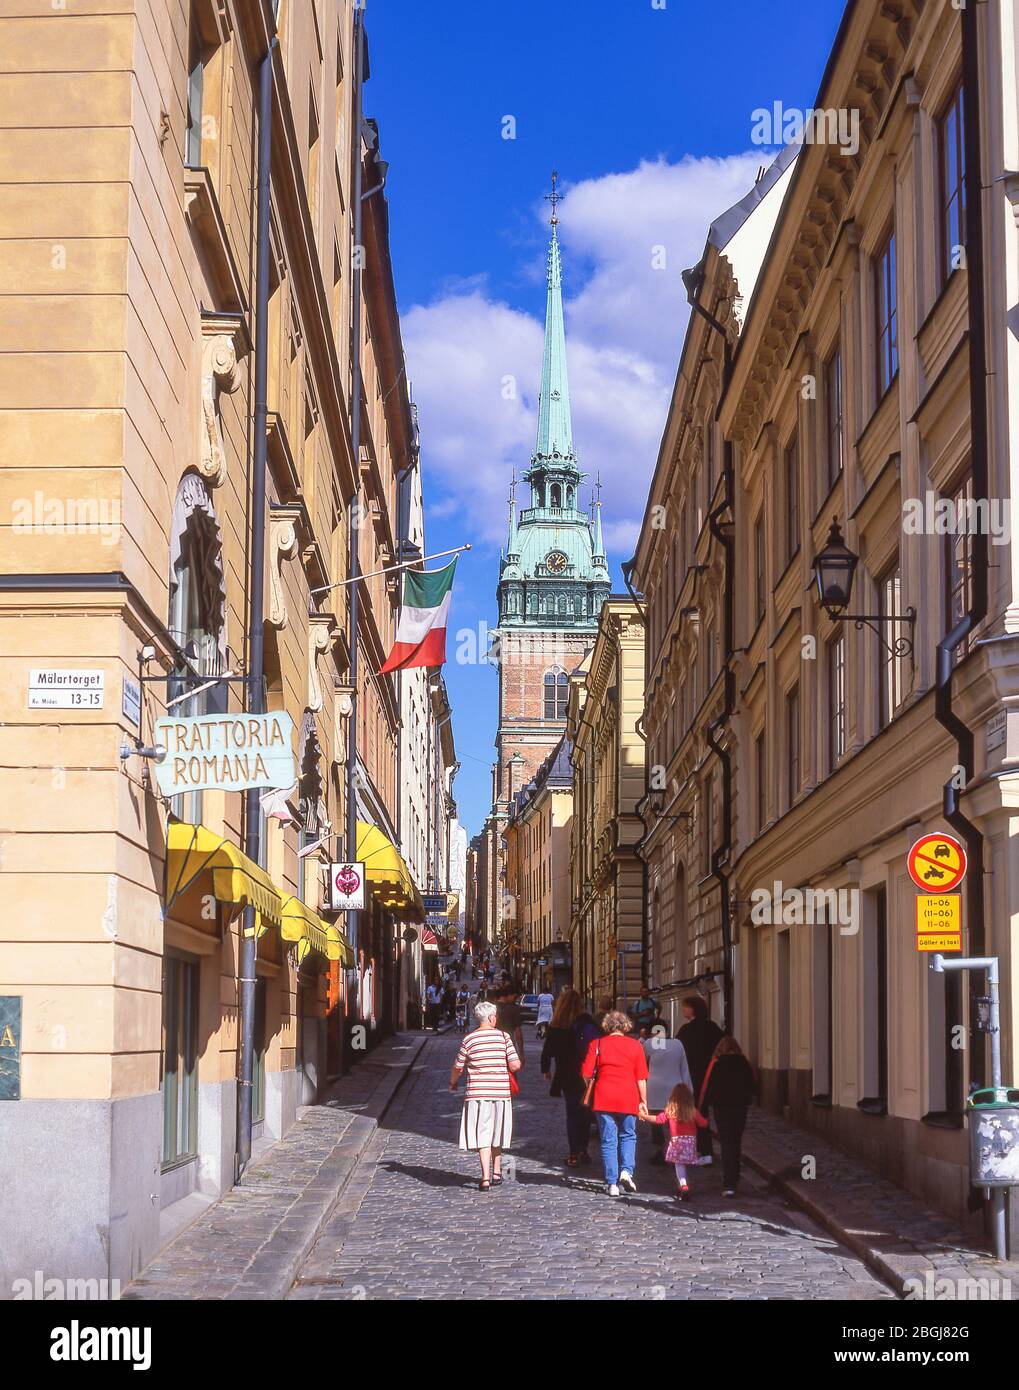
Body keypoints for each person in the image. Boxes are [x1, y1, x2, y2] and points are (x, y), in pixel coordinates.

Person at [450, 1000, 521, 1191]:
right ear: (491, 1018)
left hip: (477, 1094)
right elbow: (515, 1065)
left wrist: (453, 1082)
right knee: (497, 1131)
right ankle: (497, 1172)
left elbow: (458, 1067)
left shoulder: (469, 1039)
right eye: (495, 1016)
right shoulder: (504, 1037)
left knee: (483, 1134)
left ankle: (485, 1178)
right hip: (500, 1093)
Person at [580, 1010, 649, 1197]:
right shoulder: (635, 1046)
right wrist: (644, 1101)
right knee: (628, 1135)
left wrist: (594, 1083)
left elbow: (586, 1073)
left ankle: (612, 1183)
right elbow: (641, 1078)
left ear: (607, 1026)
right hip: (628, 1096)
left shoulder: (597, 1044)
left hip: (604, 1097)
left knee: (608, 1140)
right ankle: (626, 1171)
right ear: (626, 1026)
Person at [540, 988, 600, 1167]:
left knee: (572, 1114)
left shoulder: (556, 1026)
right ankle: (583, 1149)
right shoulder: (588, 1023)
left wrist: (546, 1071)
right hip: (587, 1075)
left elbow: (547, 1052)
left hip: (566, 1075)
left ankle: (574, 1153)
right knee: (585, 1113)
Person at [701, 1036, 756, 1197]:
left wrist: (705, 1104)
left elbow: (707, 1086)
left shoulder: (716, 1064)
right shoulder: (744, 1062)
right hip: (739, 1107)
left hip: (722, 1108)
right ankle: (735, 1178)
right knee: (736, 1142)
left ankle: (729, 1183)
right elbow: (753, 1084)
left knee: (726, 1143)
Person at [639, 1082, 708, 1201]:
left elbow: (657, 1119)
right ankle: (686, 1181)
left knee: (679, 1164)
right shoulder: (693, 1111)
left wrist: (643, 1116)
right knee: (688, 1162)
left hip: (677, 1142)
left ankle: (683, 1184)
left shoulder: (670, 1111)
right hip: (690, 1142)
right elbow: (703, 1124)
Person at [677, 995, 723, 1162]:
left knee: (696, 1114)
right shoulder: (713, 1028)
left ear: (694, 1009)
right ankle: (702, 1150)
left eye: (686, 1006)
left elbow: (678, 1053)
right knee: (702, 1113)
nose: (683, 1009)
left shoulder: (686, 1031)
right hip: (711, 1076)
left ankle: (705, 1151)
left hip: (693, 1077)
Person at [642, 1026, 693, 1164]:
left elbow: (641, 1064)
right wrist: (689, 1090)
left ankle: (659, 1150)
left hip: (655, 1089)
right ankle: (677, 1148)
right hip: (674, 1087)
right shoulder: (677, 1044)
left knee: (657, 1121)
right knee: (675, 1120)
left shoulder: (648, 1044)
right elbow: (684, 1068)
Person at [494, 984, 525, 1068]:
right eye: (515, 997)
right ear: (510, 995)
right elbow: (518, 1034)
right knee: (510, 1075)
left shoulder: (492, 1007)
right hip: (508, 1046)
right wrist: (521, 1054)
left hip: (492, 1045)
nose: (515, 1000)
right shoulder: (514, 1009)